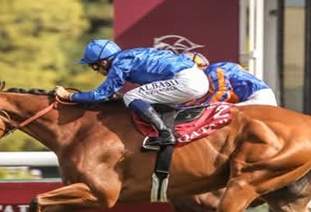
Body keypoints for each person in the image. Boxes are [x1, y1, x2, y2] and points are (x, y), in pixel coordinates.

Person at [54, 40, 210, 149]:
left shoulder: (120, 64)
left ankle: (165, 134)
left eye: (95, 67)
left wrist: (69, 96)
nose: (97, 72)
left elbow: (99, 95)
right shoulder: (128, 56)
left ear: (103, 62)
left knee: (131, 96)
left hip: (187, 81)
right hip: (194, 78)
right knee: (136, 97)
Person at [181, 53, 278, 107]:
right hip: (261, 96)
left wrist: (202, 107)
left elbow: (223, 93)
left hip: (256, 98)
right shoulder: (214, 70)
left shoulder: (214, 70)